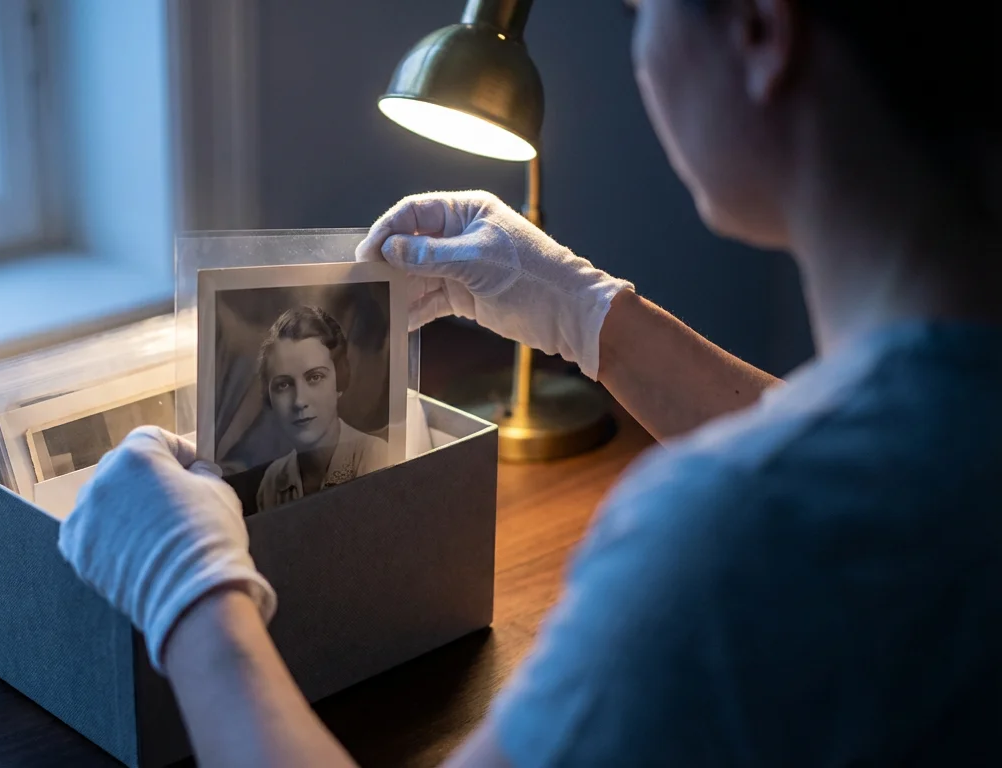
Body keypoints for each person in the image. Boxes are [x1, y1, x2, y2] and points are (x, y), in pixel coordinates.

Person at [56, 0, 1002, 764]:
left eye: (642, 9)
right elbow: (887, 456)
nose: (640, 54)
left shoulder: (724, 539)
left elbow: (809, 509)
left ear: (761, 31)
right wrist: (589, 313)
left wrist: (191, 597)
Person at [254, 305, 389, 511]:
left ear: (339, 381)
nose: (299, 401)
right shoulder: (273, 481)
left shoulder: (375, 458)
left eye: (315, 377)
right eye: (283, 385)